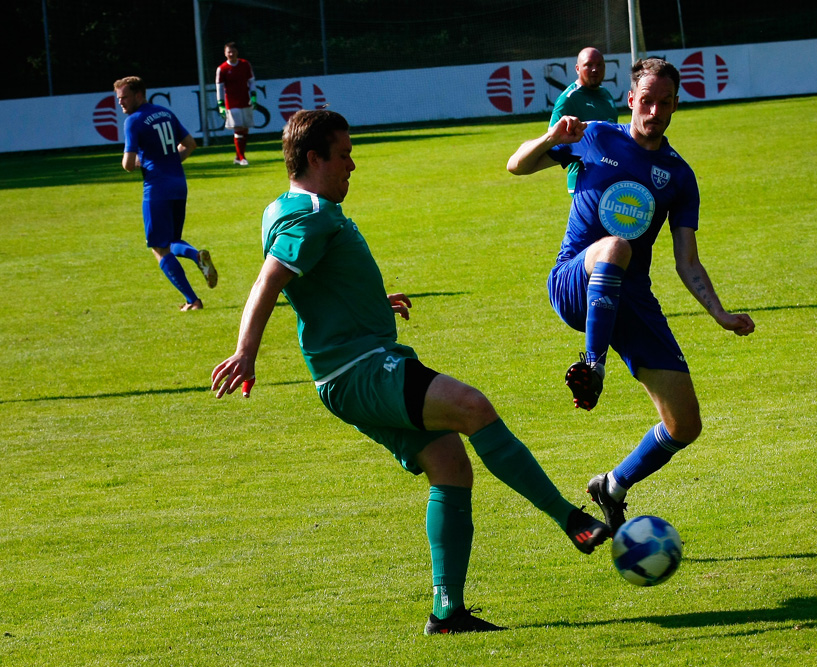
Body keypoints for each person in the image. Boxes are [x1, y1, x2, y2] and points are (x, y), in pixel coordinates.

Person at [210, 109, 610, 635]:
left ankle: (448, 613)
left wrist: (372, 301)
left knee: (451, 466)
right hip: (360, 369)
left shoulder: (285, 208)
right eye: (345, 153)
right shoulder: (309, 214)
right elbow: (270, 281)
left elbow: (315, 282)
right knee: (473, 407)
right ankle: (569, 518)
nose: (352, 164)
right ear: (314, 158)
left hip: (351, 369)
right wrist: (246, 351)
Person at [506, 58, 755, 535]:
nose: (655, 111)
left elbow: (687, 261)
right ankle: (593, 366)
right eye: (647, 100)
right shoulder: (597, 135)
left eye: (665, 103)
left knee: (685, 424)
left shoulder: (679, 175)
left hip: (630, 298)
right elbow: (517, 165)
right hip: (575, 281)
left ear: (675, 105)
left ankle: (613, 485)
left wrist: (719, 313)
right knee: (616, 246)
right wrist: (552, 139)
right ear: (631, 99)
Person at [115, 76, 218, 311]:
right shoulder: (164, 113)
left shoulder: (133, 121)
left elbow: (128, 164)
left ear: (139, 94)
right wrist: (171, 161)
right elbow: (190, 143)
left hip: (157, 188)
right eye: (119, 98)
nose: (121, 103)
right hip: (178, 184)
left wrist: (143, 162)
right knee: (171, 241)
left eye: (125, 97)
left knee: (158, 248)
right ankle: (196, 256)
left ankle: (193, 300)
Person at [549, 47, 619, 195]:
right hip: (584, 183)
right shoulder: (568, 99)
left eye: (599, 65)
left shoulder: (606, 95)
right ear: (577, 68)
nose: (595, 69)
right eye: (589, 65)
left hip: (610, 178)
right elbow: (552, 140)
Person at [216, 42, 257, 166]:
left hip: (245, 101)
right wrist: (221, 105)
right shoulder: (222, 69)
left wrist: (254, 97)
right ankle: (242, 157)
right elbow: (219, 87)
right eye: (229, 52)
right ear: (225, 53)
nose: (231, 54)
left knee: (244, 129)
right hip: (232, 104)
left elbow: (251, 82)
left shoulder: (245, 65)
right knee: (238, 129)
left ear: (237, 52)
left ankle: (238, 157)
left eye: (233, 51)